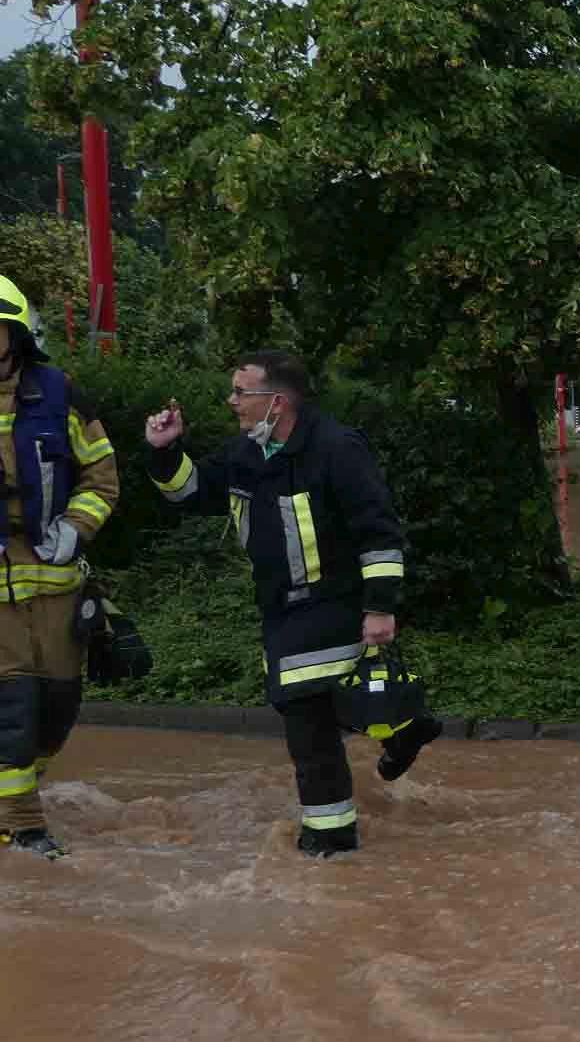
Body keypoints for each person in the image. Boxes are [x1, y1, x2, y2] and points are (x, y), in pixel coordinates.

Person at [144, 353, 432, 856]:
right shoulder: (245, 454)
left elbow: (379, 532)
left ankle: (328, 841)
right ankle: (405, 727)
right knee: (333, 707)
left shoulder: (336, 449)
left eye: (241, 392)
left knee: (309, 725)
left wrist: (381, 607)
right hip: (282, 611)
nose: (232, 402)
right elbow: (189, 493)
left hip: (336, 605)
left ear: (275, 402)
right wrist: (165, 451)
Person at [0, 274, 118, 859]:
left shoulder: (57, 393)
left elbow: (101, 474)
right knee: (13, 707)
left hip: (53, 581)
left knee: (60, 704)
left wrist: (75, 527)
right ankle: (22, 828)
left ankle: (12, 802)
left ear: (16, 335)